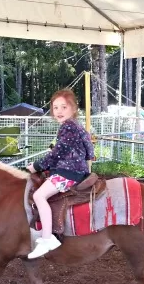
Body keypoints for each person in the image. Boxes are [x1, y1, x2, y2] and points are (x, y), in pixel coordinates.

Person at [25, 89, 95, 259]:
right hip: (78, 169)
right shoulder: (78, 127)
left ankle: (47, 238)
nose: (59, 111)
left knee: (40, 196)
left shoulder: (68, 127)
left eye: (64, 107)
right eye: (55, 108)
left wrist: (37, 165)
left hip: (68, 172)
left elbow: (57, 154)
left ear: (73, 109)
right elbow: (89, 152)